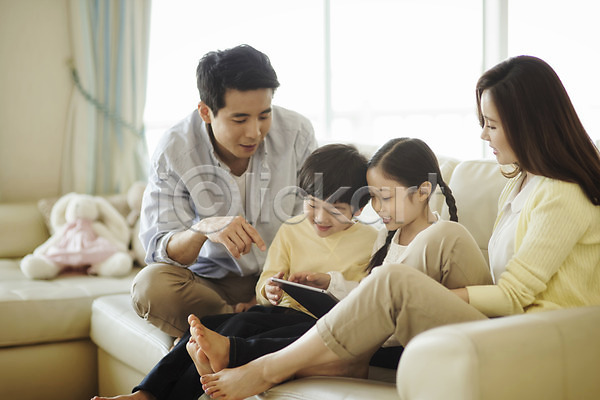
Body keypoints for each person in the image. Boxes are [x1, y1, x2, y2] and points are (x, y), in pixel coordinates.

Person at [198, 55, 600, 400]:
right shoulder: (520, 180)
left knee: (392, 281)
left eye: (491, 125)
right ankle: (340, 355)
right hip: (504, 325)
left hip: (538, 343)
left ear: (528, 124)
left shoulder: (562, 194)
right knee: (443, 238)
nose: (483, 134)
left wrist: (420, 294)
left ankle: (265, 367)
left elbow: (513, 296)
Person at [91, 143, 379, 400]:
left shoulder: (372, 242)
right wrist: (270, 290)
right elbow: (266, 281)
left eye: (335, 209)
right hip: (281, 312)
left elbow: (369, 298)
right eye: (312, 204)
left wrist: (329, 283)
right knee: (216, 326)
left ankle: (221, 358)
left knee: (248, 337)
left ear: (358, 209)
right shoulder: (292, 230)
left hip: (324, 324)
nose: (320, 217)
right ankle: (146, 392)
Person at [132, 44, 317, 338]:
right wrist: (202, 229)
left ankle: (226, 333)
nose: (255, 132)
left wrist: (271, 287)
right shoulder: (174, 149)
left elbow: (314, 221)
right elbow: (160, 248)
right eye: (240, 119)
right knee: (150, 287)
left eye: (264, 115)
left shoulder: (297, 132)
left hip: (281, 277)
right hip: (212, 284)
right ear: (206, 112)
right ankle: (244, 326)